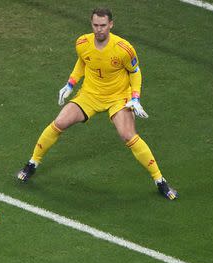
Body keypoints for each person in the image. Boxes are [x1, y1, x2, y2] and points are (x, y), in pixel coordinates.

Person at [16, 7, 178, 200]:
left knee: (128, 135)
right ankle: (32, 163)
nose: (99, 29)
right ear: (91, 24)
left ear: (111, 24)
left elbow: (135, 72)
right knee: (59, 122)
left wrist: (135, 98)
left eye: (103, 25)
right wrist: (70, 84)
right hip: (90, 95)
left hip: (118, 97)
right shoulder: (83, 43)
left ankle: (160, 180)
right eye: (95, 25)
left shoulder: (123, 48)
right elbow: (83, 61)